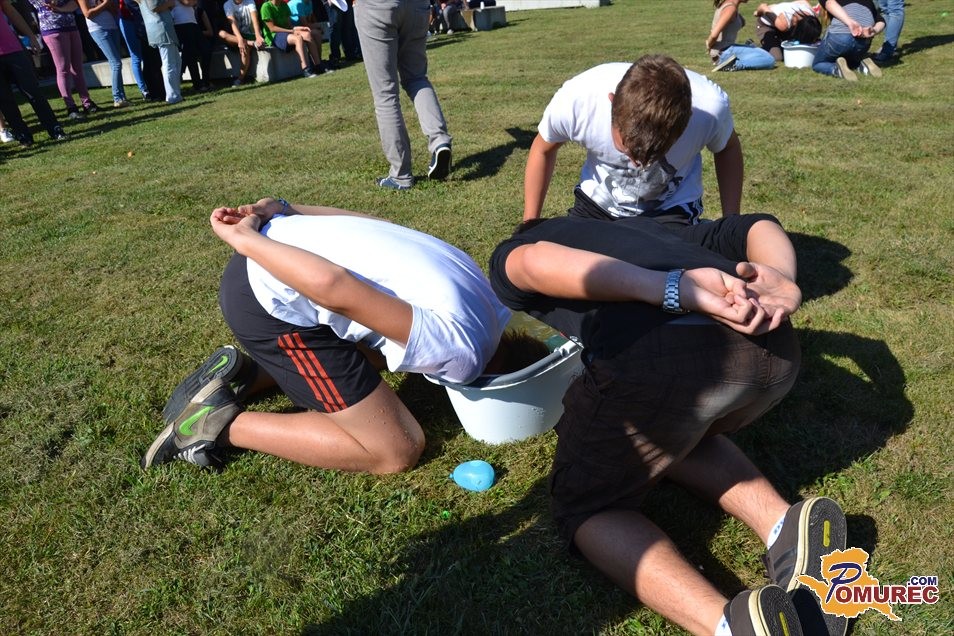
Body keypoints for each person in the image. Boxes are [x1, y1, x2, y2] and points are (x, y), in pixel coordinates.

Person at [488, 212, 848, 636]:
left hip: (665, 357)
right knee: (669, 429)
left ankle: (731, 627)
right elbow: (756, 225)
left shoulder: (521, 245)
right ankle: (784, 525)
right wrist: (781, 277)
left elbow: (532, 263)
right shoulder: (655, 230)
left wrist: (675, 290)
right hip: (774, 346)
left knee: (586, 506)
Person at [141, 197, 512, 475]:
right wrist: (245, 240)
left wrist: (284, 208)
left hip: (282, 241)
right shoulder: (462, 353)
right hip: (266, 291)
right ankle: (212, 423)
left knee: (391, 343)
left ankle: (251, 375)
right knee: (395, 448)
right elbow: (332, 285)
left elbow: (378, 226)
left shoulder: (488, 299)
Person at [524, 55, 743, 226]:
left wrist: (730, 222)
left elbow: (728, 148)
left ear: (687, 122)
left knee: (667, 266)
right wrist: (529, 226)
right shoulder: (578, 101)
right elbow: (543, 149)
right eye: (627, 149)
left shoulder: (710, 110)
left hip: (671, 211)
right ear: (612, 104)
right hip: (597, 206)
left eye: (655, 155)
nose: (637, 164)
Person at [354, 0, 452, 190]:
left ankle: (401, 175)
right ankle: (440, 141)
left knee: (385, 94)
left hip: (377, 7)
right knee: (417, 78)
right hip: (417, 5)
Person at [0, 0, 68, 144]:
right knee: (5, 99)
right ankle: (23, 136)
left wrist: (31, 36)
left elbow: (12, 12)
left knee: (33, 91)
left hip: (13, 49)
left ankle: (54, 128)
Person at [27, 0, 99, 118]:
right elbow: (49, 3)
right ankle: (71, 107)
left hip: (71, 26)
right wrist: (59, 7)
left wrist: (61, 9)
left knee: (77, 67)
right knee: (63, 69)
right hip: (52, 29)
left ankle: (87, 103)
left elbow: (74, 4)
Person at [811, 0, 884, 81]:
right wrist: (873, 31)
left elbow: (830, 3)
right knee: (849, 61)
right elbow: (881, 21)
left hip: (840, 36)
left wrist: (850, 22)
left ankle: (836, 70)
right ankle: (862, 66)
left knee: (818, 63)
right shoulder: (869, 2)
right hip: (863, 43)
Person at [76, 0, 131, 107]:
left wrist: (107, 4)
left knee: (116, 63)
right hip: (98, 29)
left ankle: (122, 97)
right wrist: (105, 3)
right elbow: (88, 14)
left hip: (112, 27)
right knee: (116, 63)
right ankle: (117, 98)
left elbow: (114, 11)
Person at [259, 0, 328, 78]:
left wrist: (300, 28)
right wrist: (292, 31)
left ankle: (318, 65)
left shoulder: (284, 5)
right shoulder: (266, 6)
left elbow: (289, 25)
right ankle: (305, 69)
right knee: (298, 38)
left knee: (307, 34)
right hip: (274, 35)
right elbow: (272, 28)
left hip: (287, 32)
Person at [707, 0, 776, 71]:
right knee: (769, 59)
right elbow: (714, 35)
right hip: (723, 52)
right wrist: (709, 45)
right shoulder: (730, 8)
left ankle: (745, 51)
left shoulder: (730, 6)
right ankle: (734, 65)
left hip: (725, 49)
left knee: (761, 53)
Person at [135, 0, 183, 103]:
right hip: (162, 28)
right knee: (169, 63)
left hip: (161, 27)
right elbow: (154, 7)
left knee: (175, 62)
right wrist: (170, 3)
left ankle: (175, 94)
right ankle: (173, 96)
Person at [754, 1, 822, 61]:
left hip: (787, 26)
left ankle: (778, 43)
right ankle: (754, 48)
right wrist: (758, 13)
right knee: (777, 56)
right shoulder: (783, 24)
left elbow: (803, 1)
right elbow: (763, 7)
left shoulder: (812, 16)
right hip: (767, 26)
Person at [220, 0, 264, 86]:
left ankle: (240, 79)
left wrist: (258, 35)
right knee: (221, 34)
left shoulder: (250, 1)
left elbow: (255, 19)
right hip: (238, 37)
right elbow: (232, 23)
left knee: (244, 49)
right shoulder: (227, 4)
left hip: (250, 35)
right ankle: (251, 43)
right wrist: (240, 39)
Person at [117, 0, 153, 99]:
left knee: (147, 54)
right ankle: (144, 89)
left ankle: (152, 85)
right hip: (126, 21)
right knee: (136, 56)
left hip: (140, 19)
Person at [171, 0, 210, 91]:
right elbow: (187, 2)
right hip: (180, 23)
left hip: (192, 22)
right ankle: (198, 84)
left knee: (205, 50)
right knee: (190, 54)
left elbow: (194, 2)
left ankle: (205, 82)